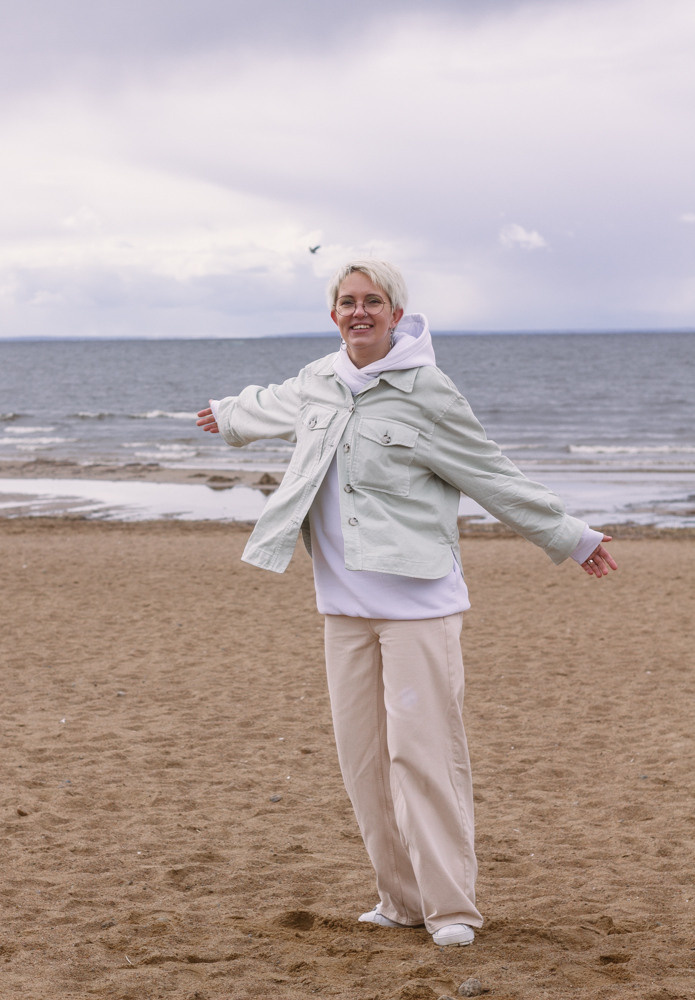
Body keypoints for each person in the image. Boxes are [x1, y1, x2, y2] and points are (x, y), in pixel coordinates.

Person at [196, 259, 617, 948]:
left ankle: (450, 908)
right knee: (362, 763)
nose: (358, 311)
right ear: (332, 314)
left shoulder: (427, 391)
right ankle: (399, 901)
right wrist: (230, 413)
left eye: (372, 301)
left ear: (395, 312)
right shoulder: (320, 380)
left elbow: (488, 471)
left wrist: (568, 536)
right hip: (342, 606)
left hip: (417, 607)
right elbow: (274, 402)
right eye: (345, 301)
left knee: (423, 757)